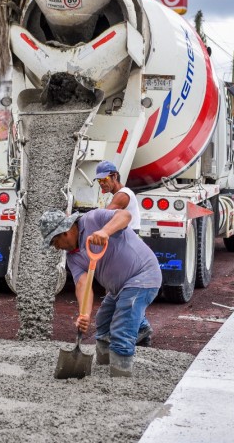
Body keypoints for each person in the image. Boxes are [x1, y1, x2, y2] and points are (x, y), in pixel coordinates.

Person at [40, 207, 161, 377]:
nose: (56, 248)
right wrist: (84, 315)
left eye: (54, 242)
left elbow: (125, 215)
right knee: (103, 321)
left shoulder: (93, 219)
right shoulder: (73, 257)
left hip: (142, 277)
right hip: (118, 288)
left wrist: (105, 231)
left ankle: (120, 374)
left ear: (64, 232)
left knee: (122, 327)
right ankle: (106, 364)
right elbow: (83, 285)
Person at [95, 160, 141, 230]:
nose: (101, 183)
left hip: (128, 237)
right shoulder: (115, 195)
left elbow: (103, 216)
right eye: (99, 180)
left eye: (104, 179)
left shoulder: (123, 194)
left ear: (115, 176)